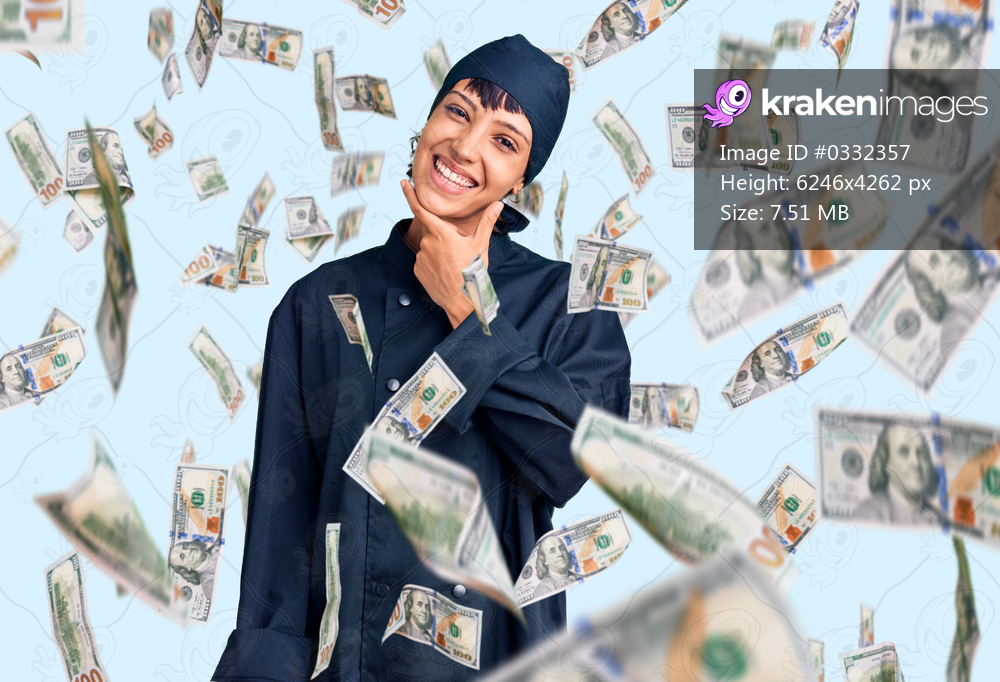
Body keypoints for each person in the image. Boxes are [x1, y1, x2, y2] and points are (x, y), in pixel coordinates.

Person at [212, 34, 631, 681]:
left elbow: (569, 461)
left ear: (523, 177)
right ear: (427, 121)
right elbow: (281, 542)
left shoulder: (568, 307)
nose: (465, 147)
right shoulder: (319, 302)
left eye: (504, 140)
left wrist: (470, 312)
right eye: (458, 112)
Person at [904, 239, 994, 352]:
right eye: (935, 262)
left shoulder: (993, 277)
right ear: (931, 286)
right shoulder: (953, 334)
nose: (948, 258)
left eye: (945, 247)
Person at [852, 421, 941, 525]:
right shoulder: (868, 514)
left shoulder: (937, 518)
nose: (916, 462)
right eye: (904, 452)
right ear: (885, 463)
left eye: (921, 453)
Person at [583, 245, 610, 309]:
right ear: (597, 266)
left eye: (607, 265)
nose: (604, 270)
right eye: (603, 264)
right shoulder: (585, 298)